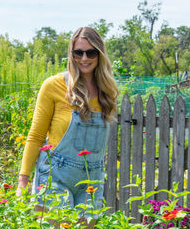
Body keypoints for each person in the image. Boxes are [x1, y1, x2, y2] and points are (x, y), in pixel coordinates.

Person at [16, 27, 118, 214]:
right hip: (56, 177)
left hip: (91, 181)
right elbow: (36, 136)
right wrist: (23, 180)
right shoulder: (53, 86)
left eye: (91, 52)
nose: (84, 59)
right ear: (71, 54)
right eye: (78, 53)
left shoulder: (107, 92)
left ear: (100, 54)